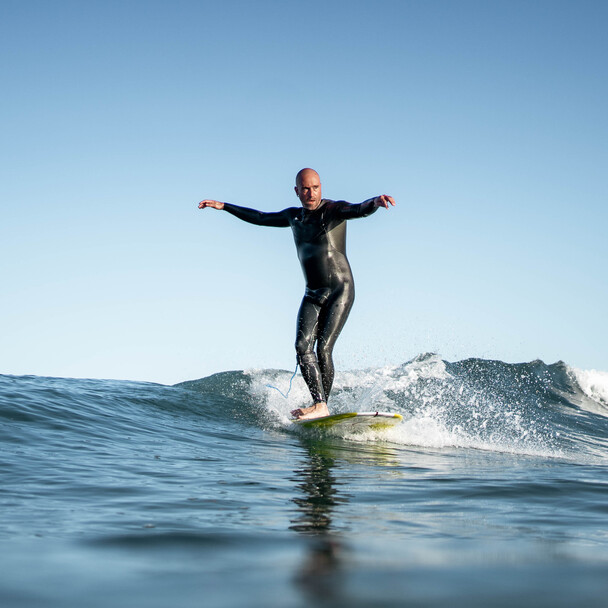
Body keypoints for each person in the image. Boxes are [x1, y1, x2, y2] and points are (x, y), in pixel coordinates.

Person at [198, 168, 395, 420]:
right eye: (305, 189)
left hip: (340, 289)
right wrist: (224, 206)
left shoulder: (333, 210)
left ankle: (321, 405)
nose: (310, 193)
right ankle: (320, 404)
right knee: (302, 347)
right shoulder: (294, 217)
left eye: (314, 188)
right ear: (296, 191)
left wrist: (375, 203)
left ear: (320, 187)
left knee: (323, 348)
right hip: (312, 293)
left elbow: (358, 209)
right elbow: (260, 217)